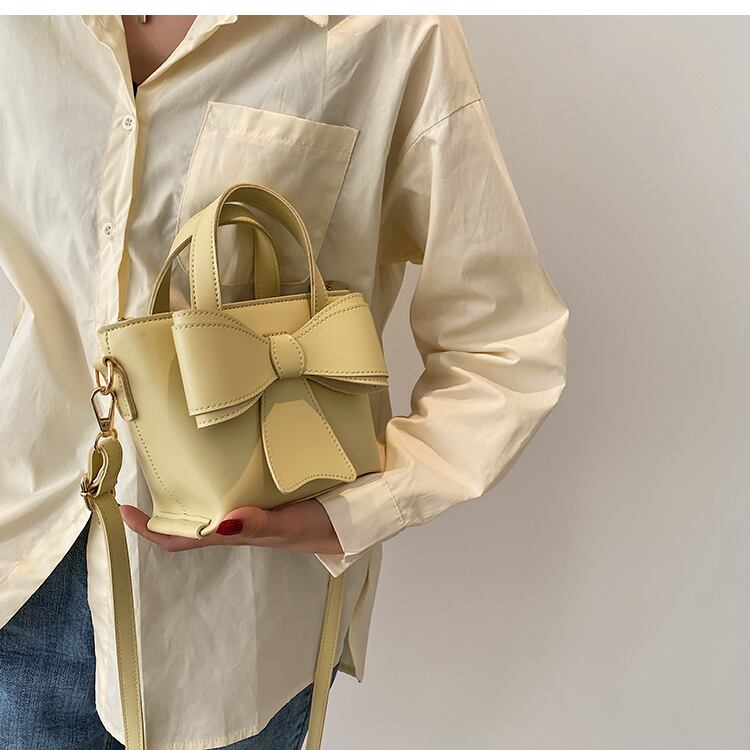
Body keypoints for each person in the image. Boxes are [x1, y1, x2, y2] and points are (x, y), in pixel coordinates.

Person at [0, 14, 570, 750]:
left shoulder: (386, 31)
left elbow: (506, 344)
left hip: (237, 626)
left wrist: (355, 510)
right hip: (22, 573)